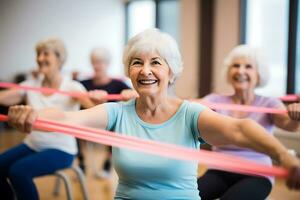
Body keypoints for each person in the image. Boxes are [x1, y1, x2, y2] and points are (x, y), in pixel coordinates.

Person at [7, 29, 300, 200]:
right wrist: (35, 115)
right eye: (137, 63)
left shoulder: (190, 114)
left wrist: (285, 157)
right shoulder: (116, 113)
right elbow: (68, 119)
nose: (145, 70)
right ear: (129, 72)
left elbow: (241, 130)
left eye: (155, 62)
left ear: (170, 71)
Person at [197, 44, 300, 200]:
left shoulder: (269, 103)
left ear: (258, 74)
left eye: (248, 66)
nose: (241, 71)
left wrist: (296, 113)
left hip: (258, 174)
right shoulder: (215, 100)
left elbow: (289, 125)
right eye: (236, 65)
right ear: (229, 71)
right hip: (218, 170)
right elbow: (192, 109)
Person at [0, 38, 95, 200]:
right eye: (38, 54)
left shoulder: (72, 87)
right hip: (32, 144)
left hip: (61, 150)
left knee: (18, 171)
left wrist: (95, 98)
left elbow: (94, 111)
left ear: (59, 59)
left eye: (46, 54)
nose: (40, 58)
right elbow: (5, 98)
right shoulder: (31, 84)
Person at [76, 47, 137, 178]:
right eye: (94, 62)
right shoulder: (82, 84)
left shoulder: (118, 84)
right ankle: (81, 163)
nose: (97, 66)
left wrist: (129, 94)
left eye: (101, 62)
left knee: (116, 127)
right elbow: (69, 88)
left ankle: (108, 162)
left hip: (108, 124)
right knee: (74, 127)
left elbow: (136, 95)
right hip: (86, 124)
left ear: (108, 64)